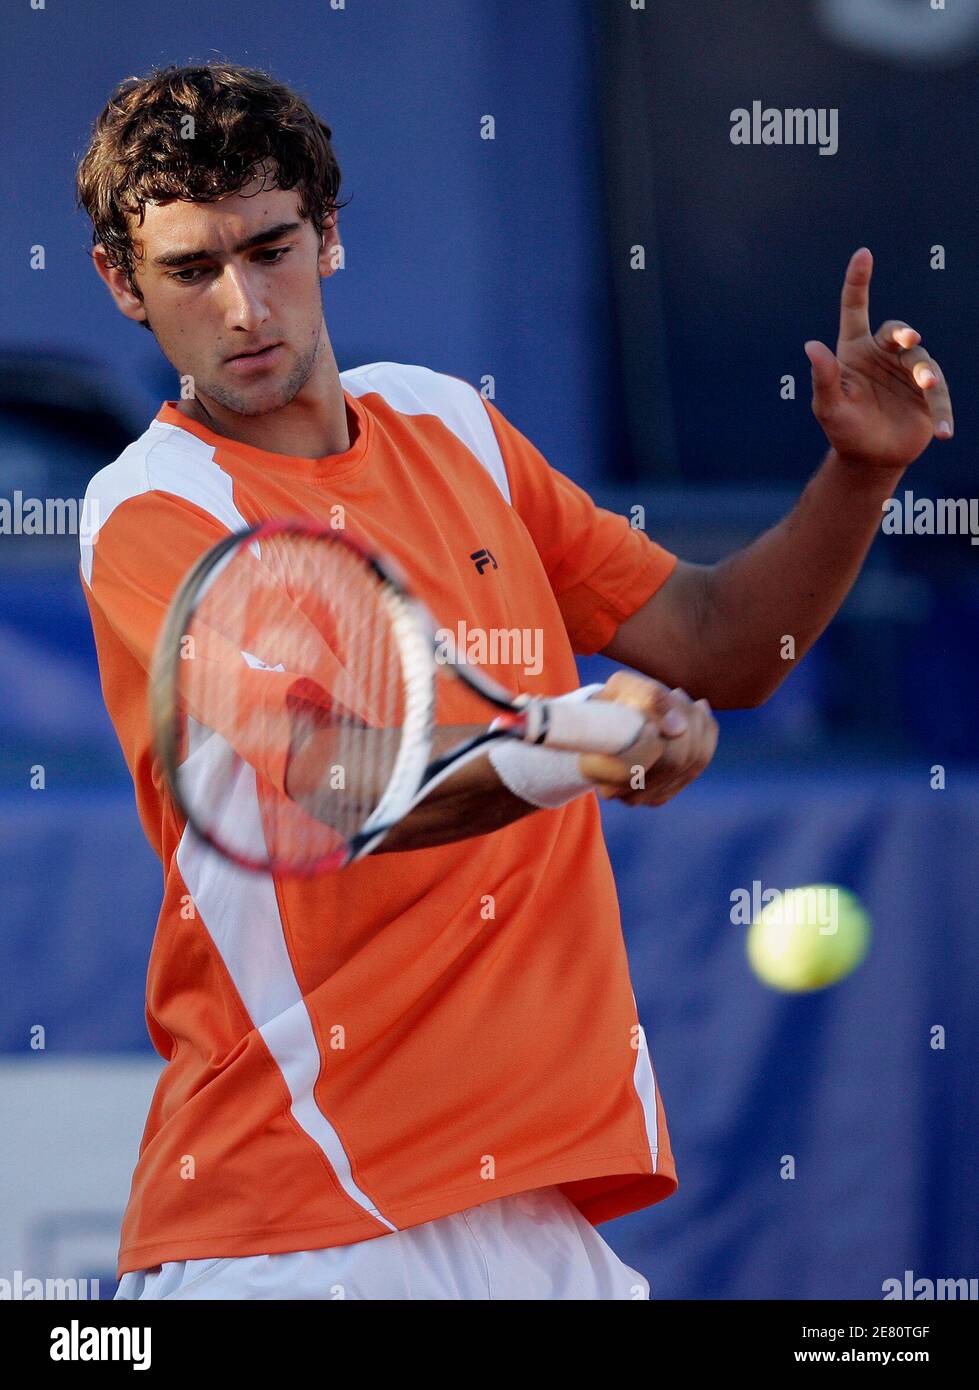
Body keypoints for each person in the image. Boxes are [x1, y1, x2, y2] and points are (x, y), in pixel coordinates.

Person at [75, 63, 952, 1301]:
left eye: (270, 248)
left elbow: (711, 644)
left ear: (329, 235)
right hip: (300, 1225)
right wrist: (576, 743)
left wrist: (857, 478)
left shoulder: (448, 422)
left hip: (535, 1213)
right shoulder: (150, 511)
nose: (241, 306)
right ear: (122, 284)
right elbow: (335, 781)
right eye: (188, 270)